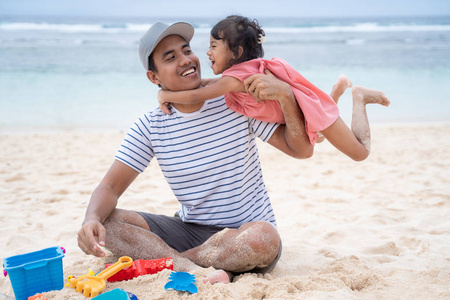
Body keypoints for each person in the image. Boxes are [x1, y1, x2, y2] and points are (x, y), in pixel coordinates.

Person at [77, 21, 315, 284]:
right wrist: (91, 220)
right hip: (190, 230)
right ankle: (199, 270)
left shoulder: (234, 102)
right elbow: (110, 186)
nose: (186, 60)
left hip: (243, 234)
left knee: (264, 238)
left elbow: (302, 150)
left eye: (187, 50)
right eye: (171, 57)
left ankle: (179, 263)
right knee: (107, 223)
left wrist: (286, 98)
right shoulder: (151, 125)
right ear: (154, 78)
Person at [158, 15, 390, 161]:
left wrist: (165, 93)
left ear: (236, 53)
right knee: (318, 138)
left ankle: (359, 97)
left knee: (360, 154)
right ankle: (335, 93)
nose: (208, 52)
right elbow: (208, 85)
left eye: (214, 46)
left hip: (311, 111)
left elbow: (201, 92)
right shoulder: (241, 73)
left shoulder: (234, 79)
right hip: (303, 113)